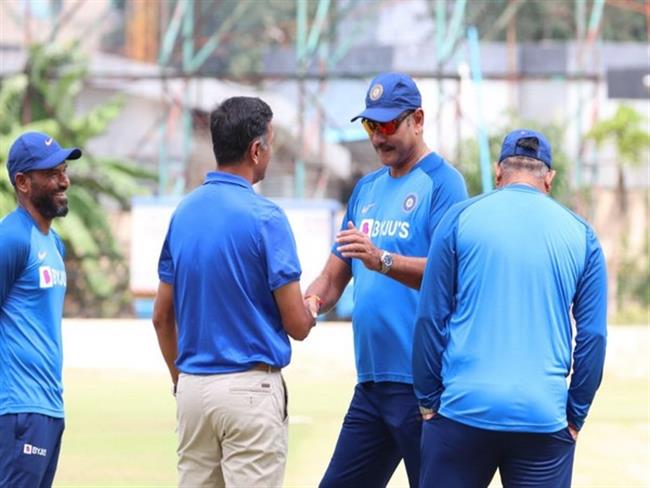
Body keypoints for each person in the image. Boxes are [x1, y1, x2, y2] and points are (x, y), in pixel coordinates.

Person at [413, 129, 608, 487]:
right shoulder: (583, 236)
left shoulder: (458, 219)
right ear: (549, 178)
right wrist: (574, 415)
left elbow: (429, 318)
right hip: (542, 417)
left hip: (462, 410)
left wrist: (428, 401)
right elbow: (593, 337)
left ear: (498, 172)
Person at [304, 72, 468, 487]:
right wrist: (309, 303)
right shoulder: (366, 190)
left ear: (418, 119)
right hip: (372, 384)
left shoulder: (444, 184)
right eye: (370, 126)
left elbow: (449, 274)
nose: (378, 137)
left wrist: (383, 261)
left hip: (424, 386)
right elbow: (333, 275)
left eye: (389, 124)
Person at [152, 96, 315, 488]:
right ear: (256, 150)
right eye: (270, 143)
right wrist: (313, 306)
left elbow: (161, 317)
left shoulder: (183, 213)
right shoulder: (267, 218)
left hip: (192, 388)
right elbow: (297, 325)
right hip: (249, 391)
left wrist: (181, 381)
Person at [0, 132, 81, 487]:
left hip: (48, 409)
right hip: (16, 409)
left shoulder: (54, 243)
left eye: (63, 170)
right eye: (51, 173)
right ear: (23, 182)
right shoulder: (11, 238)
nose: (64, 181)